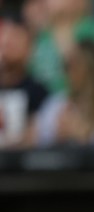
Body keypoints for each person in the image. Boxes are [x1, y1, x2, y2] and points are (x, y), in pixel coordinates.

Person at [0, 18, 49, 148]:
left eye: (15, 37)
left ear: (30, 48)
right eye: (5, 36)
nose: (8, 42)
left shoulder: (39, 93)